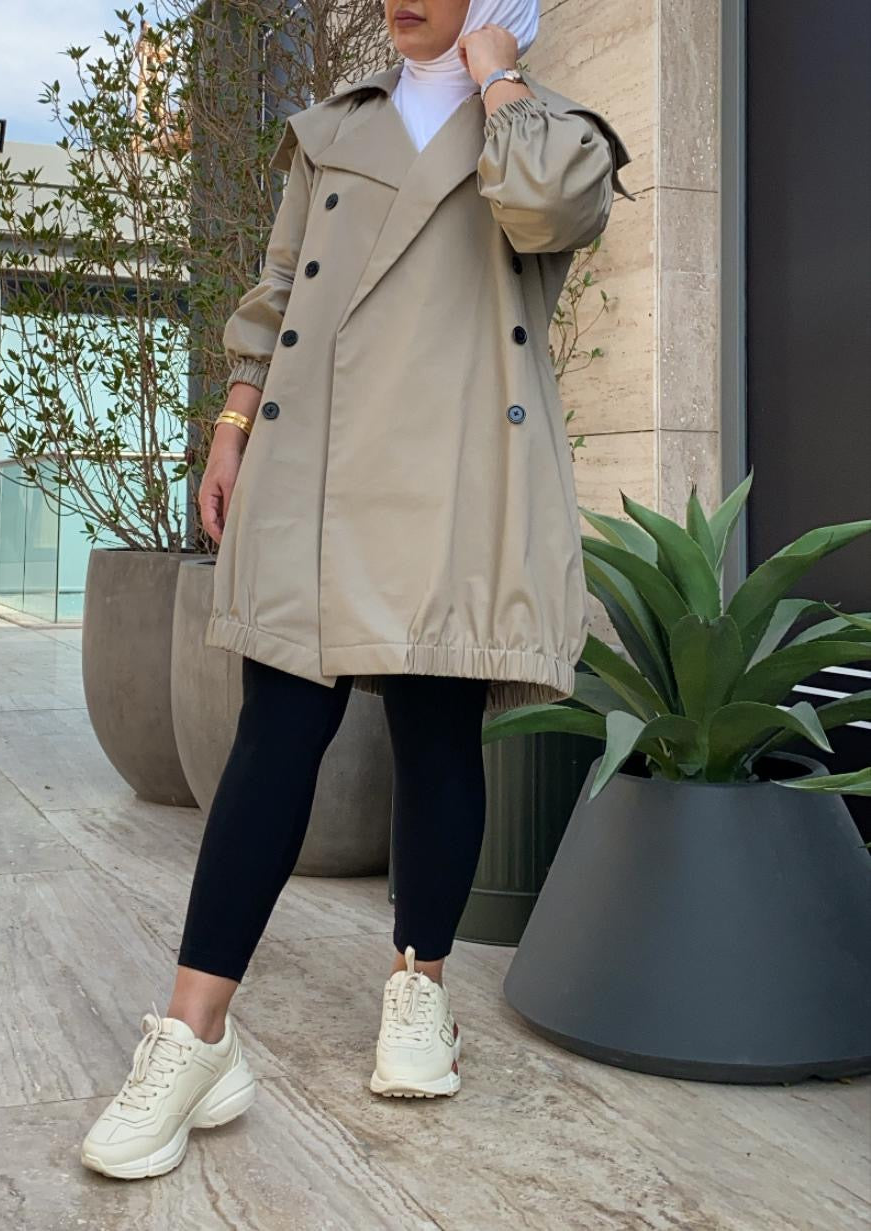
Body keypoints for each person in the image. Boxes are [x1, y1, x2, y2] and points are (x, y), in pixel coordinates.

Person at [81, 0, 631, 1180]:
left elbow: (546, 212)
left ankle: (418, 987)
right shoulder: (332, 126)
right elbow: (280, 288)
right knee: (274, 736)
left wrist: (499, 77)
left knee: (436, 735)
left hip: (456, 474)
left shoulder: (550, 131)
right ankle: (193, 1033)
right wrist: (232, 424)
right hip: (315, 463)